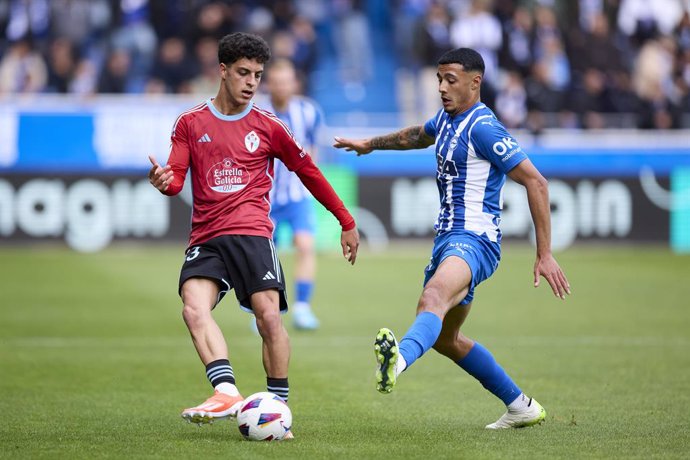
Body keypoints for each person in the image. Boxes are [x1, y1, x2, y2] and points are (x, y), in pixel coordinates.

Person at [333, 48, 570, 429]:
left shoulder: (483, 127)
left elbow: (536, 182)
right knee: (446, 338)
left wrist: (545, 253)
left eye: (451, 80)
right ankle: (521, 406)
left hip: (475, 241)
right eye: (439, 79)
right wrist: (370, 144)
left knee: (432, 298)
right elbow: (415, 136)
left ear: (475, 83)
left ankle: (398, 362)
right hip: (448, 240)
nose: (442, 87)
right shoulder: (446, 119)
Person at [148, 32, 359, 433]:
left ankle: (277, 406)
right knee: (193, 307)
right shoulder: (190, 123)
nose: (251, 82)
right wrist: (164, 181)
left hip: (251, 232)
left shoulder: (268, 126)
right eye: (243, 73)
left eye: (258, 75)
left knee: (268, 318)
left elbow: (309, 173)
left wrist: (345, 220)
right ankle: (226, 390)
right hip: (207, 235)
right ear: (223, 71)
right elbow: (176, 180)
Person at [263, 58, 323, 330]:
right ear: (269, 84)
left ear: (294, 83)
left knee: (306, 246)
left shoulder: (309, 112)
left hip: (298, 196)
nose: (282, 87)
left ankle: (302, 307)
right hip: (265, 198)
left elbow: (313, 151)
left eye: (286, 82)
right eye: (277, 82)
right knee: (263, 256)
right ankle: (263, 310)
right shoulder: (258, 112)